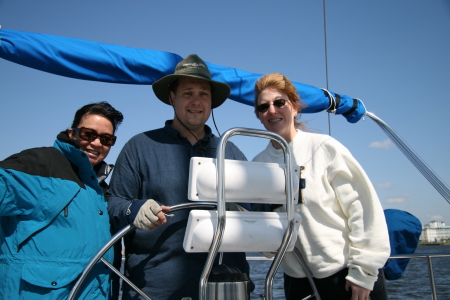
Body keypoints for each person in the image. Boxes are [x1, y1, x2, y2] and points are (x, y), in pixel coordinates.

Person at [107, 54, 253, 300]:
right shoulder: (139, 146)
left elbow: (259, 207)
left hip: (227, 287)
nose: (196, 101)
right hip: (153, 290)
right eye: (188, 93)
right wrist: (135, 208)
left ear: (212, 103)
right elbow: (114, 202)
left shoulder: (231, 151)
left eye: (203, 94)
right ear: (172, 98)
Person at [252, 73, 390, 300]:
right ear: (258, 116)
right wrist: (265, 243)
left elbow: (364, 209)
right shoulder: (258, 165)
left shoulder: (325, 148)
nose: (272, 111)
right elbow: (261, 219)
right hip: (297, 281)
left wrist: (364, 272)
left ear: (295, 107)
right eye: (263, 107)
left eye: (279, 103)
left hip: (346, 277)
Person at [0, 101, 124, 299]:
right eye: (88, 134)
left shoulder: (101, 190)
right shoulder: (36, 164)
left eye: (106, 139)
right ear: (72, 133)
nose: (96, 143)